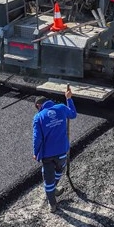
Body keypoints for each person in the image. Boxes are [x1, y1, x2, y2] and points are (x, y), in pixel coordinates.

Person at [33, 85, 77, 213]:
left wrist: (35, 153)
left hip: (47, 155)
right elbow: (73, 114)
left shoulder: (38, 117)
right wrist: (68, 99)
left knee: (48, 179)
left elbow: (37, 138)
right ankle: (54, 190)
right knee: (59, 171)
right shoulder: (62, 108)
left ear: (39, 106)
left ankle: (52, 204)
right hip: (62, 151)